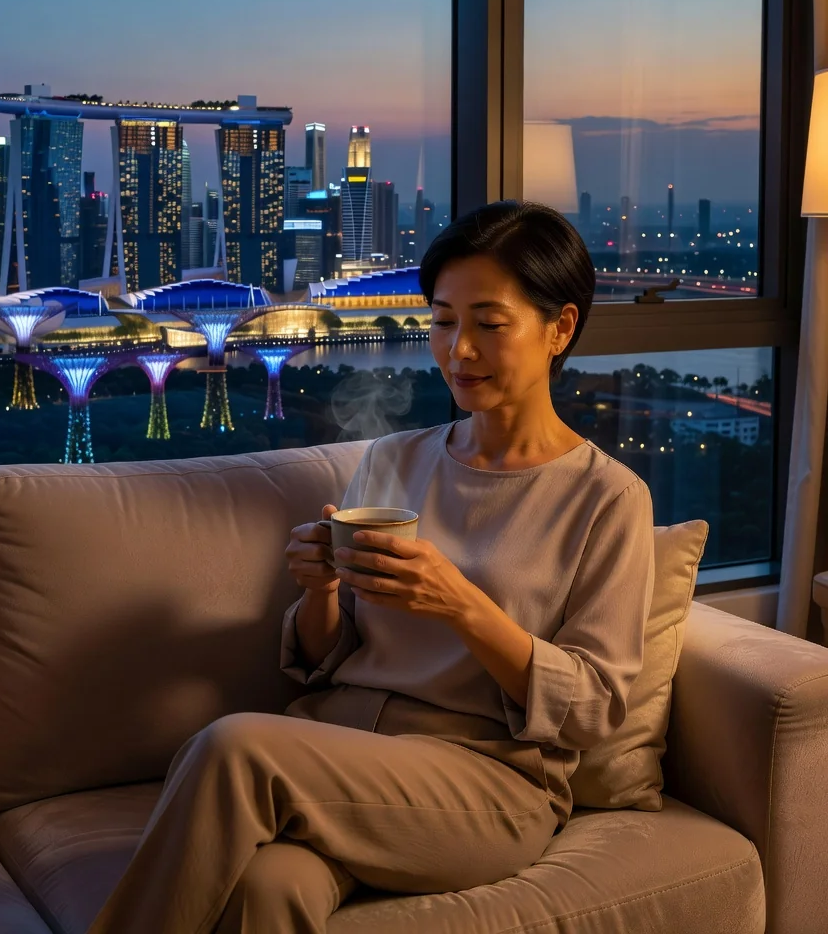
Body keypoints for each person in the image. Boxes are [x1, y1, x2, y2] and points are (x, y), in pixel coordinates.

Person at [90, 200, 656, 934]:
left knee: (234, 747)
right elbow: (331, 657)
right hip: (349, 752)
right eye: (444, 320)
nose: (459, 350)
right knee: (267, 887)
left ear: (560, 328)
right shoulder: (394, 461)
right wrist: (321, 591)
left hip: (487, 784)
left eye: (489, 323)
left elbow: (592, 711)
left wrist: (463, 606)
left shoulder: (606, 498)